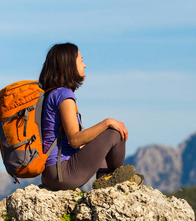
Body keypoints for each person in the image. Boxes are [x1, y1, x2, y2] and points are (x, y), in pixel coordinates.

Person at [39, 42, 143, 190]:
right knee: (115, 133)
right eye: (81, 60)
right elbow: (75, 139)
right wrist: (107, 122)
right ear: (69, 65)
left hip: (52, 174)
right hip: (63, 173)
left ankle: (105, 178)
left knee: (96, 140)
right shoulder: (64, 95)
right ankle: (116, 181)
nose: (85, 65)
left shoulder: (51, 93)